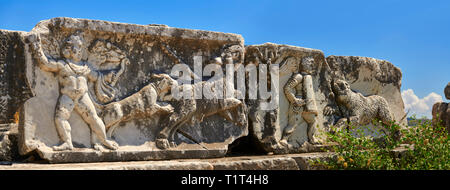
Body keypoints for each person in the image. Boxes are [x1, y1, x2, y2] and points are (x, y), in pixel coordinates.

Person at [27, 32, 119, 151]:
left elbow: (96, 77)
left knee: (94, 118)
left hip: (82, 97)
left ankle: (105, 140)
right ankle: (67, 142)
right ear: (70, 49)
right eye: (78, 47)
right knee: (60, 118)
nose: (80, 50)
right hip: (67, 97)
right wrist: (36, 46)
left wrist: (109, 75)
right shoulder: (62, 65)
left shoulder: (85, 66)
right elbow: (45, 64)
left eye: (81, 47)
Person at [281, 56, 319, 146]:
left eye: (313, 65)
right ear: (304, 65)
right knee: (293, 123)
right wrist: (295, 100)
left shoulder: (308, 77)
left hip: (308, 104)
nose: (312, 67)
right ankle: (284, 140)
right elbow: (287, 88)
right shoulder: (298, 76)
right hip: (298, 103)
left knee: (312, 121)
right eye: (310, 64)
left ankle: (312, 138)